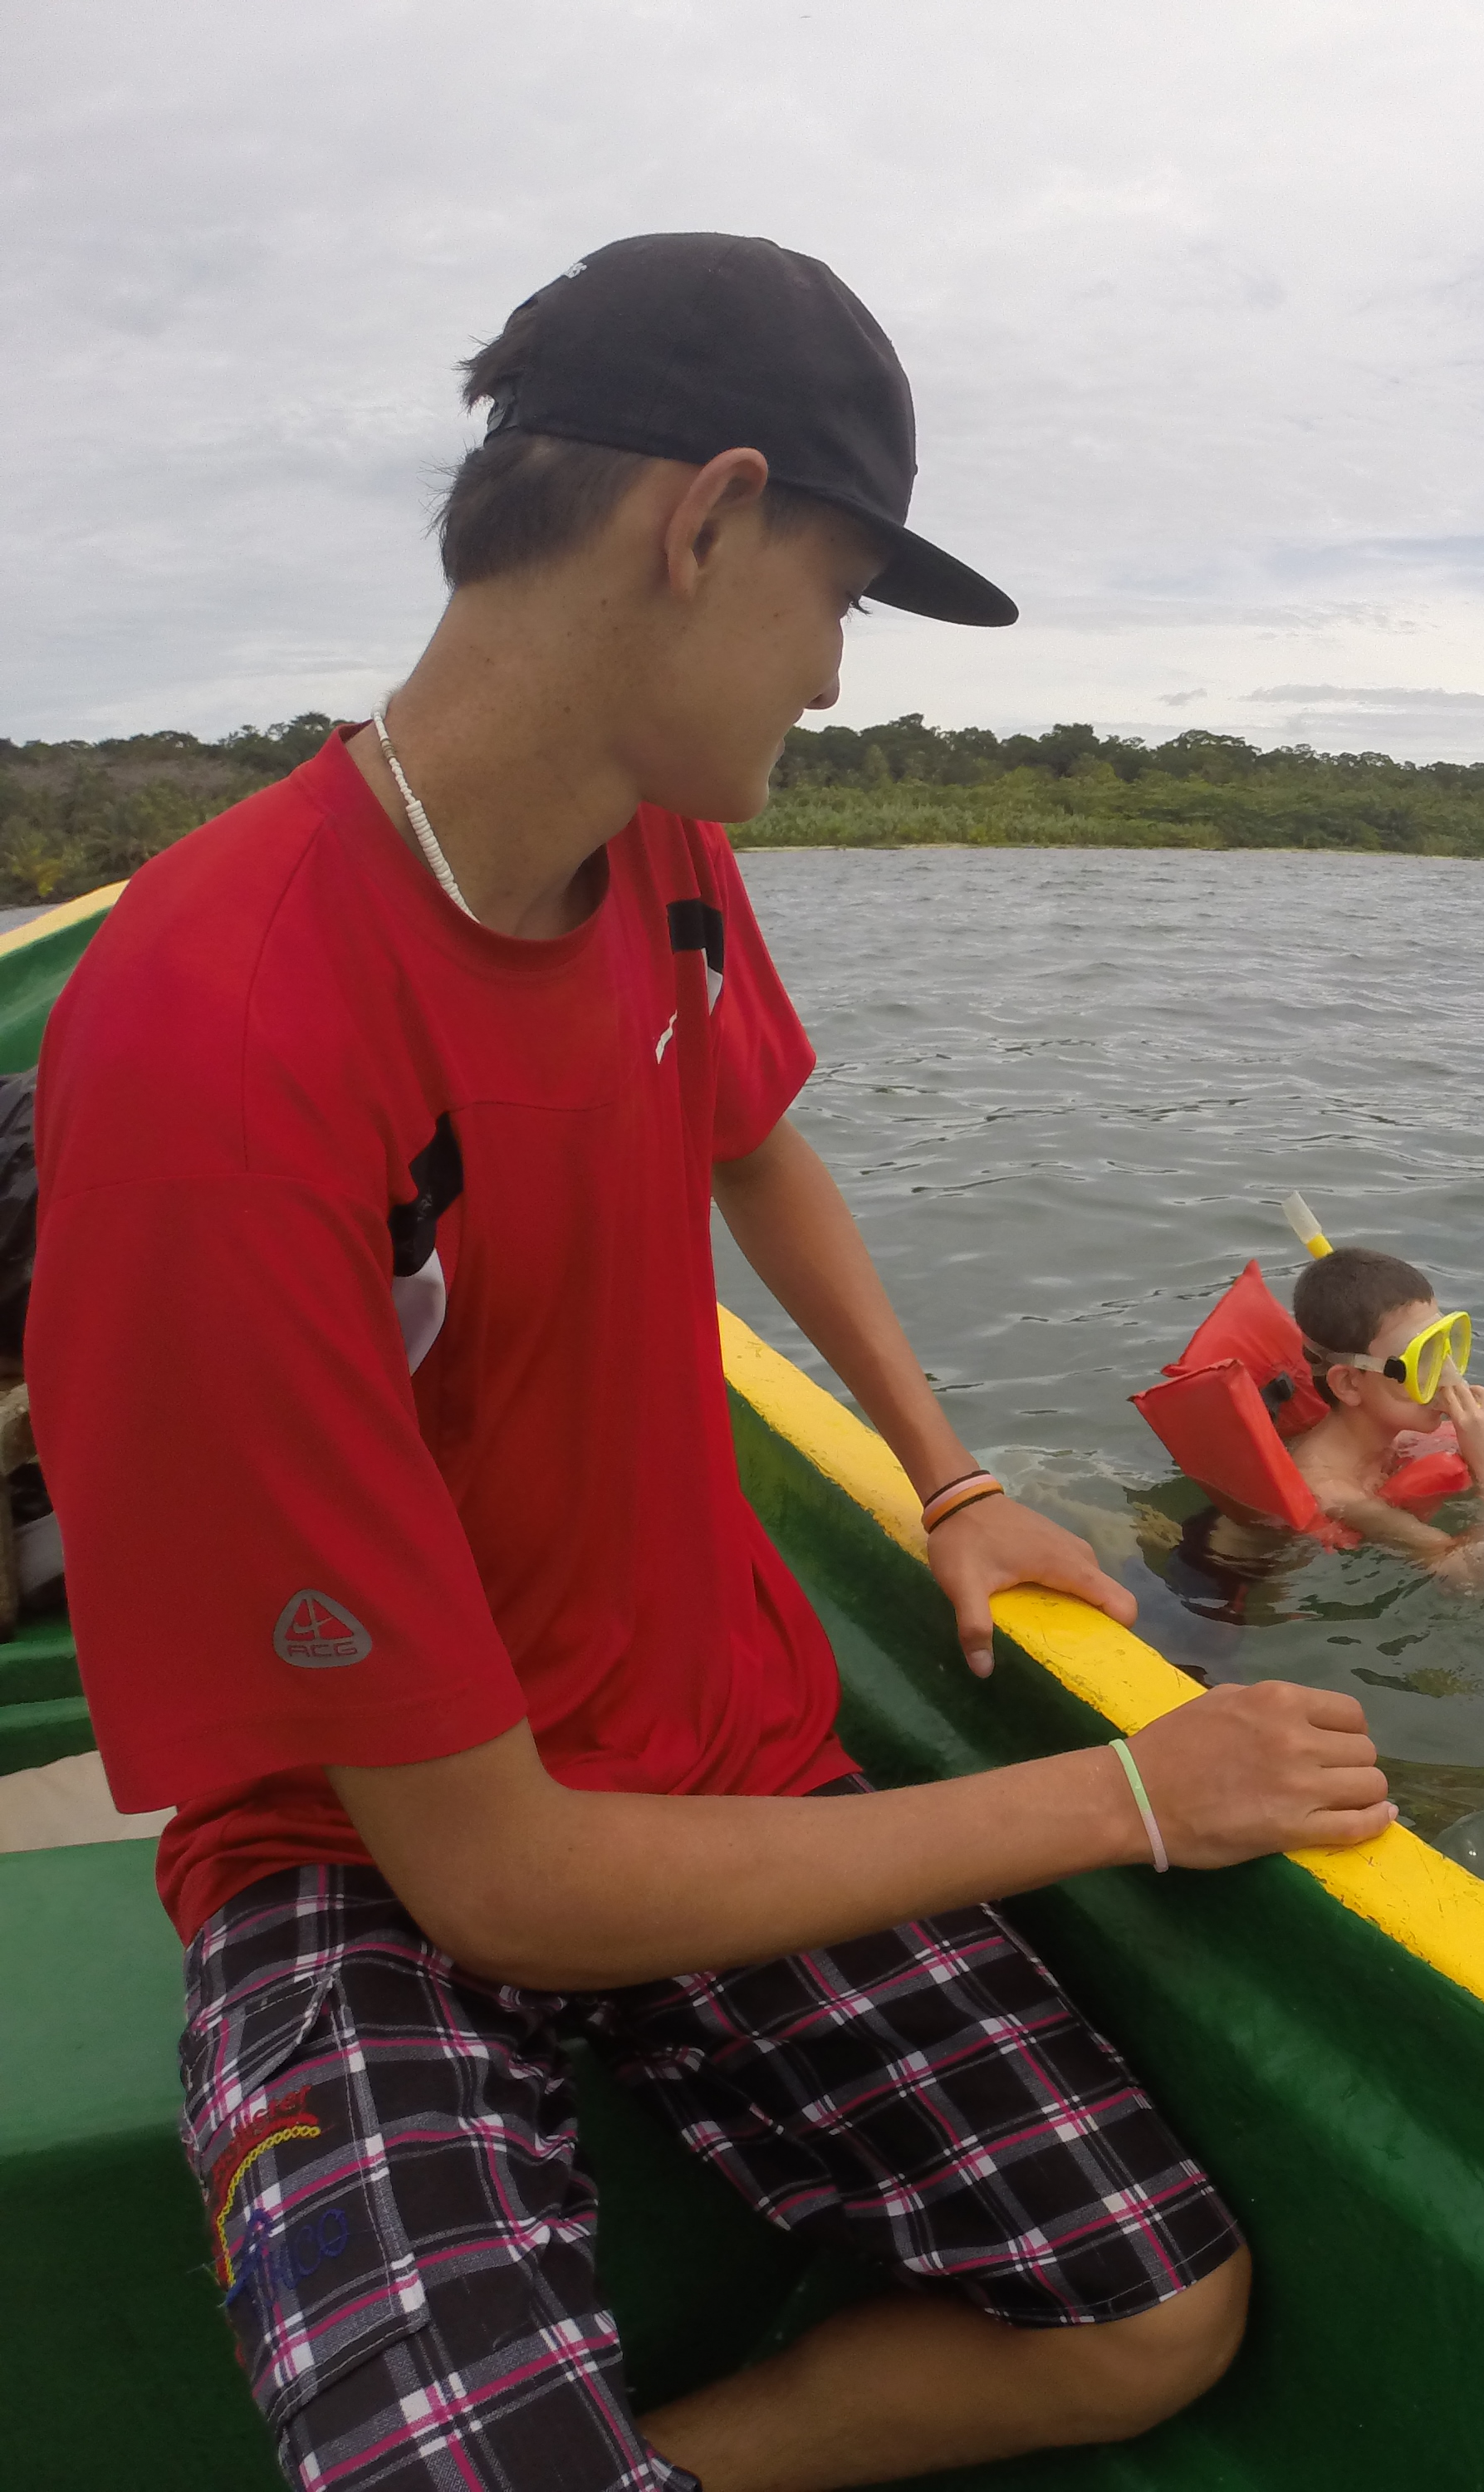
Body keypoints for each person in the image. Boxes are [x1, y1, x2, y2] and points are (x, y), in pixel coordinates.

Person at [30, 234, 1397, 2492]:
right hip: (375, 1849)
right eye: (841, 595)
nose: (841, 680)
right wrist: (1137, 1793)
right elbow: (495, 1882)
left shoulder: (654, 835)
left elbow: (755, 1142)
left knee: (1151, 2302)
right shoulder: (228, 1039)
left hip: (715, 1746)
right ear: (704, 521)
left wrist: (950, 1480)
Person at [1286, 1241, 1484, 1588]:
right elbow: (1477, 1583)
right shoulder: (1334, 1494)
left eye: (1444, 1346)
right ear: (1350, 1383)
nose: (1451, 1379)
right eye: (1420, 1360)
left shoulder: (1395, 1435)